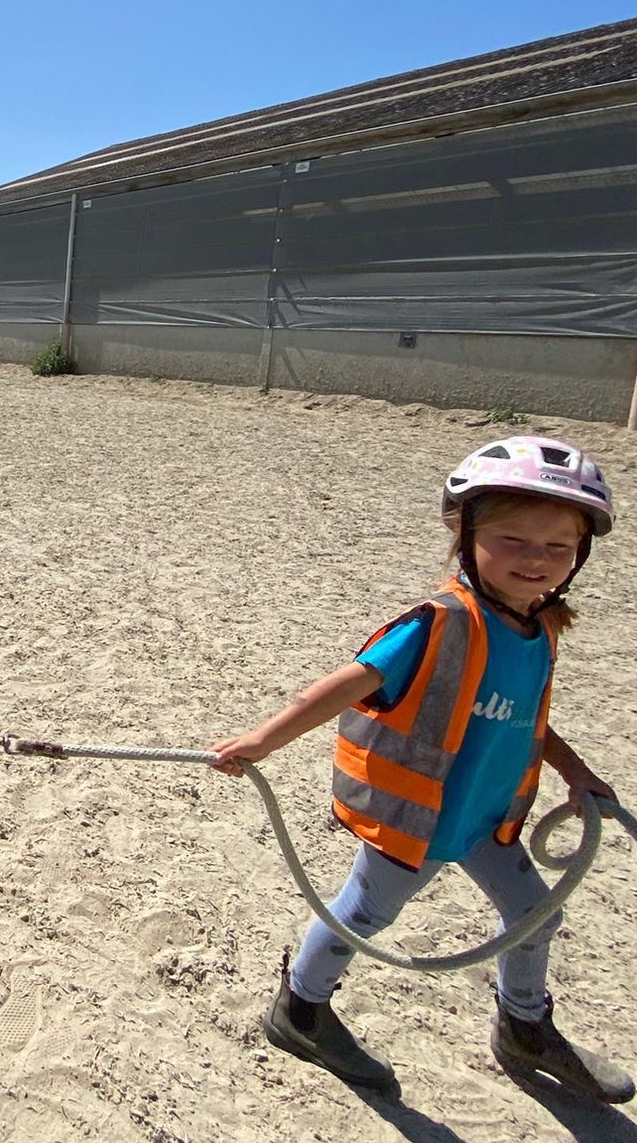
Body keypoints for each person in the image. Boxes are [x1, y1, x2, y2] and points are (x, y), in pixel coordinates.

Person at [211, 435, 631, 1104]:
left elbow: (525, 717)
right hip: (419, 822)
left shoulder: (538, 628)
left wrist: (575, 772)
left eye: (559, 546)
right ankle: (301, 1010)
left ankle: (523, 1026)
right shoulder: (441, 623)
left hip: (487, 818)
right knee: (362, 915)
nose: (537, 559)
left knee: (535, 916)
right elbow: (351, 682)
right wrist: (263, 740)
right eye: (514, 540)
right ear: (464, 534)